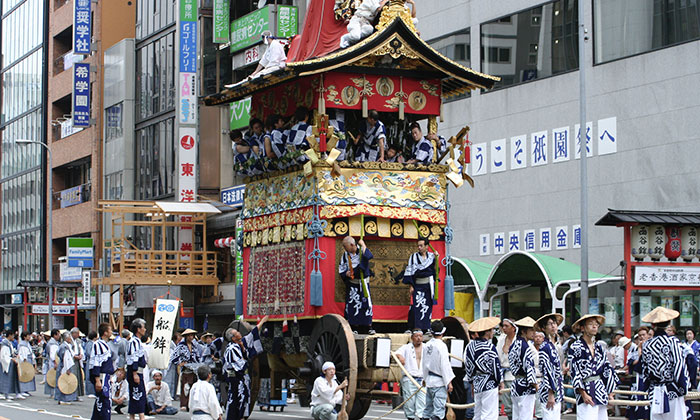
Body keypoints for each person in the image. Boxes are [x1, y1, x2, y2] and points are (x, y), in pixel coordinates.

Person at [641, 307, 690, 420]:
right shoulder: (673, 342)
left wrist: (647, 388)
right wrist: (683, 388)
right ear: (669, 323)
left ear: (653, 325)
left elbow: (645, 370)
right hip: (672, 389)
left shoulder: (646, 344)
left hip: (654, 391)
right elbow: (679, 366)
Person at [569, 314, 619, 420]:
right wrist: (583, 393)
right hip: (586, 388)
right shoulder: (576, 346)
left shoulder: (599, 347)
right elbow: (574, 371)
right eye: (590, 324)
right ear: (582, 328)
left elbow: (607, 368)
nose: (594, 326)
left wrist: (610, 391)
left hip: (600, 389)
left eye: (596, 324)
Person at [223, 316, 268, 420]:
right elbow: (240, 365)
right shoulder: (232, 348)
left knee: (244, 398)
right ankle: (237, 417)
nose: (239, 333)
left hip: (243, 379)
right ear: (233, 338)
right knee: (238, 399)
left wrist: (262, 322)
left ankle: (242, 416)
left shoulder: (240, 344)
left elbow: (251, 335)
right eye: (237, 333)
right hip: (236, 379)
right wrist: (245, 360)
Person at [464, 317, 501, 420]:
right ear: (487, 332)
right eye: (491, 330)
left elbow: (469, 366)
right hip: (490, 382)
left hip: (477, 382)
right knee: (489, 414)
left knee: (478, 413)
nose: (493, 332)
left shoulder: (470, 347)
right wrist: (500, 381)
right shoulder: (490, 347)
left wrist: (471, 382)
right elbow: (496, 366)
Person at [338, 236, 374, 334]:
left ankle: (368, 327)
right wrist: (346, 273)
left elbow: (369, 256)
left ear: (352, 245)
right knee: (353, 304)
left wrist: (363, 244)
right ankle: (354, 327)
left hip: (363, 283)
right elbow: (341, 268)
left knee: (366, 304)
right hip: (353, 284)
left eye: (346, 247)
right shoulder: (345, 255)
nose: (345, 249)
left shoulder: (362, 251)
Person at [402, 238, 438, 332]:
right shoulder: (413, 257)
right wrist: (411, 285)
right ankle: (414, 327)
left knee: (427, 306)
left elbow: (435, 270)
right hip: (418, 284)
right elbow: (410, 272)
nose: (419, 247)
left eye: (421, 246)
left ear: (427, 246)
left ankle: (426, 327)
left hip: (428, 285)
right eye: (418, 245)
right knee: (416, 306)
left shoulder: (431, 256)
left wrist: (437, 258)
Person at [535, 314, 564, 420]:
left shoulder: (552, 345)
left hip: (555, 387)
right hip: (549, 390)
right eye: (550, 324)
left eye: (555, 323)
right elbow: (547, 371)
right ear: (544, 328)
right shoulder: (545, 347)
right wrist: (550, 393)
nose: (553, 326)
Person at [509, 317, 538, 420]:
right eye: (531, 330)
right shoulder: (525, 346)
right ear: (523, 331)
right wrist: (535, 384)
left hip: (516, 383)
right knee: (526, 416)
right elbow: (529, 367)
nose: (534, 333)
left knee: (516, 416)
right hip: (525, 385)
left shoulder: (514, 344)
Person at [395, 329, 426, 420]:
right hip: (409, 378)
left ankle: (421, 417)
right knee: (409, 402)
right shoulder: (406, 347)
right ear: (412, 337)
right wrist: (400, 357)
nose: (418, 338)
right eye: (416, 336)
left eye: (420, 336)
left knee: (423, 401)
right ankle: (410, 417)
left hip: (422, 379)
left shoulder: (427, 347)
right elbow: (396, 353)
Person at [171, 328, 201, 411]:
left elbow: (198, 356)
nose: (191, 337)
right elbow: (174, 357)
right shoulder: (181, 346)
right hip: (186, 369)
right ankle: (184, 404)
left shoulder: (195, 346)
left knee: (193, 387)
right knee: (185, 387)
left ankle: (192, 404)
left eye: (192, 335)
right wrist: (180, 363)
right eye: (189, 335)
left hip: (195, 369)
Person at [89, 323, 115, 420]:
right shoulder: (98, 345)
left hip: (106, 375)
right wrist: (97, 379)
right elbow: (96, 362)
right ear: (105, 332)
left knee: (102, 401)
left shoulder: (106, 345)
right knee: (104, 400)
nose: (111, 332)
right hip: (102, 376)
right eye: (110, 330)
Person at [126, 318, 148, 420]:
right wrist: (135, 373)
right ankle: (141, 417)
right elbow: (134, 358)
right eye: (143, 327)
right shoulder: (134, 341)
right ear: (138, 329)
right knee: (138, 395)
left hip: (136, 371)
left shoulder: (136, 341)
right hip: (135, 371)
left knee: (135, 395)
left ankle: (133, 417)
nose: (145, 330)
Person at [496, 318, 517, 420]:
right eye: (503, 326)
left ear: (513, 328)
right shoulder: (501, 339)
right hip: (504, 374)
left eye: (506, 326)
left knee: (517, 403)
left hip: (516, 376)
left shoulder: (518, 340)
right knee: (507, 405)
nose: (504, 328)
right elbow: (498, 359)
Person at [55, 331, 78, 405]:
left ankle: (63, 398)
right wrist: (68, 368)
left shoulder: (65, 346)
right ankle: (63, 399)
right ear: (66, 338)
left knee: (63, 382)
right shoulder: (65, 347)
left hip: (63, 365)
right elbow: (66, 358)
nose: (70, 339)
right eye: (69, 337)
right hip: (65, 366)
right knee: (65, 382)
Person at [0, 329, 23, 400]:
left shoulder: (9, 343)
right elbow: (3, 356)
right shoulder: (4, 344)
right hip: (7, 363)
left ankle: (13, 392)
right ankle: (4, 393)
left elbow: (12, 352)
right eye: (12, 335)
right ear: (9, 335)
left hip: (11, 362)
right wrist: (11, 359)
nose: (13, 337)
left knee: (12, 378)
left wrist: (15, 355)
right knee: (6, 378)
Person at [17, 331, 36, 396]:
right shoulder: (22, 345)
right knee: (24, 375)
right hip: (26, 360)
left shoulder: (27, 343)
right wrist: (25, 360)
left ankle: (26, 390)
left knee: (28, 375)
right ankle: (23, 390)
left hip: (29, 359)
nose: (29, 337)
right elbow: (23, 354)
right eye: (28, 336)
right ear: (24, 337)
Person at [164, 330, 182, 399]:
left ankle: (172, 394)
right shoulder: (170, 346)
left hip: (175, 365)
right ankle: (169, 395)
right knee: (169, 380)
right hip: (170, 365)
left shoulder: (176, 346)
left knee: (174, 381)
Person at [70, 327, 86, 399]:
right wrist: (75, 356)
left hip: (78, 360)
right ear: (73, 333)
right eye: (77, 333)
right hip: (71, 360)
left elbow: (81, 349)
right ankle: (71, 394)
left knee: (78, 378)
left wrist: (81, 355)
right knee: (72, 378)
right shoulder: (69, 340)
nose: (78, 335)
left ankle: (77, 395)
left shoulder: (78, 341)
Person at [44, 329, 61, 397]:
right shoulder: (52, 343)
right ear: (54, 335)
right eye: (58, 334)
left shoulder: (53, 342)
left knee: (53, 376)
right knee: (53, 376)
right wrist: (55, 362)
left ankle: (52, 392)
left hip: (53, 361)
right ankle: (52, 392)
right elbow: (53, 354)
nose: (59, 336)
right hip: (53, 362)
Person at [85, 331, 98, 397]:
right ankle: (90, 392)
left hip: (92, 361)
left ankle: (92, 391)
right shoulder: (90, 344)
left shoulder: (92, 343)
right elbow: (89, 353)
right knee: (89, 376)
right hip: (90, 361)